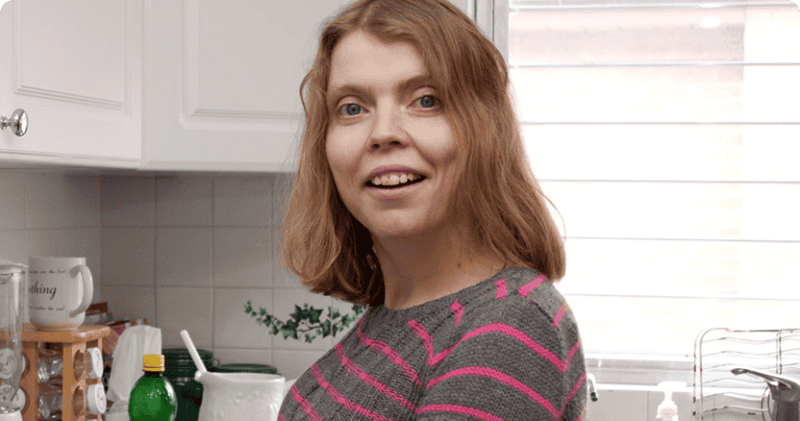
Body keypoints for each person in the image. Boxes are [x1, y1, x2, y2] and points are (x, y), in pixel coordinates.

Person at [279, 0, 587, 419]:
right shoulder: (398, 315)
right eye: (352, 108)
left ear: (484, 130)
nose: (383, 133)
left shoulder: (508, 326)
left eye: (425, 101)